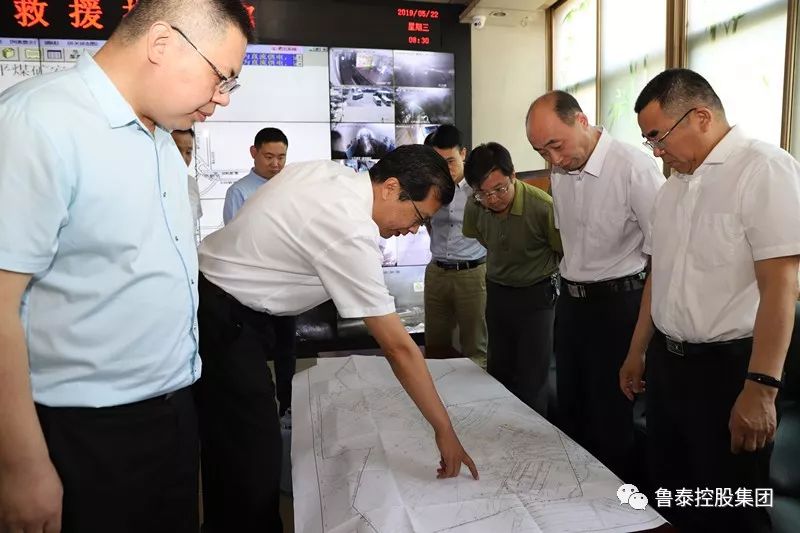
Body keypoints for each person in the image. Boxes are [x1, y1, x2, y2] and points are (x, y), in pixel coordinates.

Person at [0, 1, 250, 532]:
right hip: (83, 430)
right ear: (161, 43)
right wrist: (21, 465)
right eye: (221, 76)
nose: (223, 97)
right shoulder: (38, 122)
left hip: (172, 411)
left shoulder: (160, 138)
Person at [196, 144, 479, 532]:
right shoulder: (348, 226)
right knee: (253, 463)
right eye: (418, 217)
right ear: (390, 187)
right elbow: (398, 347)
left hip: (216, 303)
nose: (414, 230)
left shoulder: (331, 175)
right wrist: (444, 430)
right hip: (224, 320)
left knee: (229, 452)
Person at [619, 68, 800, 533]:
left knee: (732, 506)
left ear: (700, 117)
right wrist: (638, 350)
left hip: (730, 370)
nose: (656, 151)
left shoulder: (764, 169)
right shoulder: (673, 188)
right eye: (648, 140)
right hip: (670, 367)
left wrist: (761, 388)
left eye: (658, 137)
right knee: (674, 492)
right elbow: (659, 277)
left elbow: (782, 286)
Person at [525, 90, 663, 480]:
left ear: (581, 121)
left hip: (619, 307)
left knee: (611, 419)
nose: (553, 159)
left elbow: (663, 255)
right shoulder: (560, 170)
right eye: (542, 152)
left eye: (556, 145)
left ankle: (618, 504)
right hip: (572, 305)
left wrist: (641, 344)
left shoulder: (633, 167)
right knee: (570, 410)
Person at [462, 142, 562, 416]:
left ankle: (534, 432)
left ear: (513, 175)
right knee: (499, 369)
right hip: (498, 292)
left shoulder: (542, 207)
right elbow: (480, 236)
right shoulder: (475, 205)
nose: (493, 199)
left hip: (537, 295)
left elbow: (560, 250)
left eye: (500, 189)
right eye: (484, 193)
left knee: (533, 376)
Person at [422, 125, 488, 359]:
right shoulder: (430, 187)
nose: (445, 168)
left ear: (463, 154)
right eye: (439, 163)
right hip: (436, 272)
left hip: (472, 274)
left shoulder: (478, 188)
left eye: (450, 161)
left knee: (475, 345)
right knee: (434, 345)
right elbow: (428, 222)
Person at [222, 126, 288, 224]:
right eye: (269, 157)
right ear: (253, 152)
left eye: (281, 158)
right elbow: (234, 232)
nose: (275, 164)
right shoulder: (238, 192)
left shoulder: (290, 185)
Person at [171, 128, 204, 228]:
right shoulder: (148, 184)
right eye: (176, 150)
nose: (183, 158)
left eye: (188, 152)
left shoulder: (191, 183)